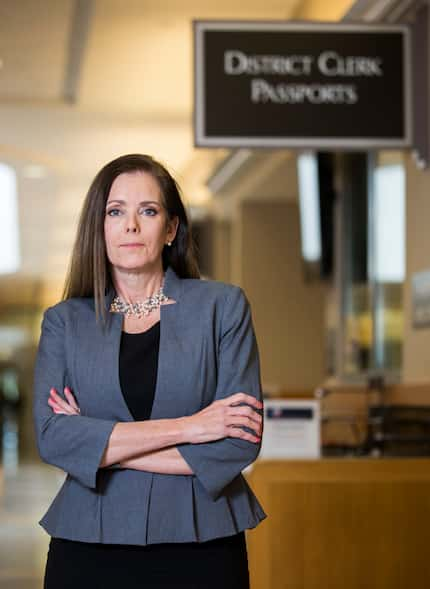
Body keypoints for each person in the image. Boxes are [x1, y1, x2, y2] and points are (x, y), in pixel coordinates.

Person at [33, 153, 267, 589]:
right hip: (88, 542)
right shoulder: (64, 321)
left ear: (171, 228)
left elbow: (237, 442)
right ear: (98, 228)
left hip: (202, 542)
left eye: (148, 211)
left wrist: (101, 447)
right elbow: (52, 438)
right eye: (116, 211)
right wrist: (191, 427)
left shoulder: (223, 307)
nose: (131, 226)